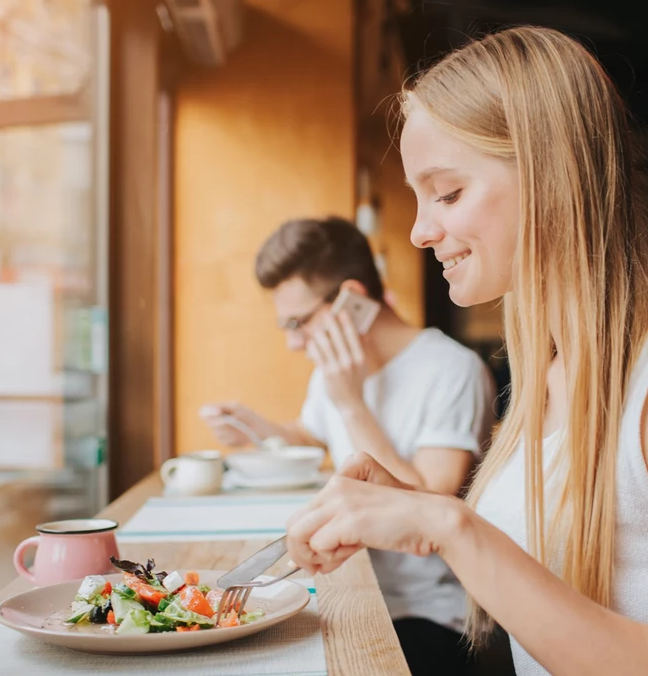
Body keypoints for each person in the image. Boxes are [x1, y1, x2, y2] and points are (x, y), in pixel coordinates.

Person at [285, 26, 648, 676]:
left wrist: (450, 526)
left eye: (447, 193)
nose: (419, 230)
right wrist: (417, 515)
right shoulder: (547, 368)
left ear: (551, 176)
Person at [201, 217, 496, 675]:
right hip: (349, 589)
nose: (293, 342)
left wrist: (352, 402)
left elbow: (431, 503)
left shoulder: (451, 369)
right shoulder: (333, 372)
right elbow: (312, 434)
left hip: (429, 613)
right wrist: (258, 429)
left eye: (298, 322)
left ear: (352, 300)